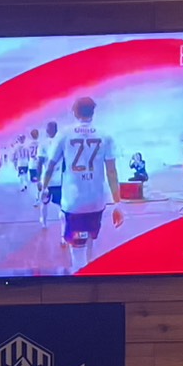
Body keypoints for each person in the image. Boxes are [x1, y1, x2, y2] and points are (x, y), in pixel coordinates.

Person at [41, 95, 124, 271]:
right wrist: (117, 203)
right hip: (96, 202)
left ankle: (80, 278)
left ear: (74, 112)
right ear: (93, 112)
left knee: (78, 253)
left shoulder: (64, 134)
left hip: (74, 202)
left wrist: (44, 187)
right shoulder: (105, 136)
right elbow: (111, 172)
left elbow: (50, 166)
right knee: (90, 242)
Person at [38, 120, 62, 227]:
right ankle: (64, 227)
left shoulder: (43, 143)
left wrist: (38, 179)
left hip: (47, 180)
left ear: (47, 130)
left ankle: (44, 222)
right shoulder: (61, 142)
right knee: (61, 205)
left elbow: (39, 162)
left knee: (44, 202)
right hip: (59, 179)